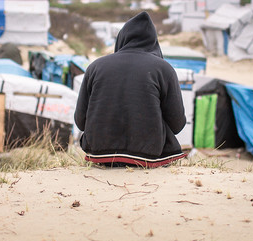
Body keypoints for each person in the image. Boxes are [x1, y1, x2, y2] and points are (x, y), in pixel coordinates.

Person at [74, 11, 187, 167]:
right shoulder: (164, 69)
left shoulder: (95, 66)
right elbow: (177, 124)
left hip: (100, 154)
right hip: (148, 156)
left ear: (122, 38)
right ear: (154, 41)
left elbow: (80, 122)